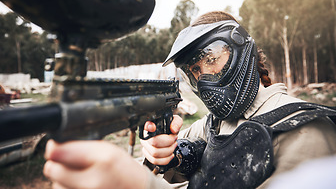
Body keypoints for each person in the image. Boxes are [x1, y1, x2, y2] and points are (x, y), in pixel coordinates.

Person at [43, 11, 336, 189]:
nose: (204, 77)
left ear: (241, 50)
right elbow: (179, 155)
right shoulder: (215, 124)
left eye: (211, 60)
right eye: (194, 70)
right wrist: (162, 153)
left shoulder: (304, 130)